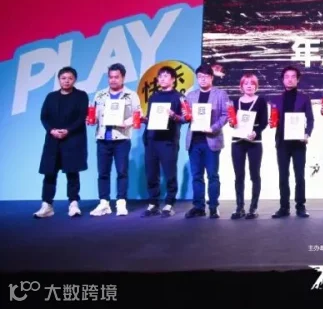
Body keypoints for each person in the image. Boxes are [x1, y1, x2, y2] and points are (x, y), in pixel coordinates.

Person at [34, 67, 89, 218]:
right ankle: (47, 205)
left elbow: (81, 117)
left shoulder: (81, 96)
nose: (66, 81)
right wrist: (51, 130)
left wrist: (68, 130)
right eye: (63, 78)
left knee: (72, 173)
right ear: (59, 79)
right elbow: (44, 117)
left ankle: (73, 204)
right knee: (49, 173)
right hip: (53, 140)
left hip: (72, 140)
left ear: (75, 80)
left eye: (70, 78)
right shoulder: (51, 97)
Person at [88, 63, 139, 217]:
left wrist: (126, 123)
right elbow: (94, 114)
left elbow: (138, 114)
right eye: (110, 77)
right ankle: (104, 203)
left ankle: (121, 202)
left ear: (123, 77)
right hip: (103, 138)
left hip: (121, 138)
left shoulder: (131, 95)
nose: (113, 80)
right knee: (103, 172)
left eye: (116, 77)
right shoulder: (100, 95)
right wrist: (91, 119)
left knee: (122, 172)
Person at [184, 65, 230, 219]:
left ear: (212, 77)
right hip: (194, 141)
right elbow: (186, 117)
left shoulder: (220, 94)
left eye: (205, 76)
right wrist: (179, 115)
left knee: (212, 175)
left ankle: (213, 206)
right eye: (199, 77)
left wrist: (213, 128)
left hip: (212, 140)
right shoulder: (191, 96)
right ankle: (198, 207)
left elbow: (225, 115)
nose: (202, 79)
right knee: (196, 176)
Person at [140, 66, 187, 217]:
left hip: (168, 140)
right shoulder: (154, 96)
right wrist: (144, 120)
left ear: (173, 79)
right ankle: (153, 203)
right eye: (160, 76)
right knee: (151, 173)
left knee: (169, 173)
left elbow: (185, 118)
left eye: (166, 76)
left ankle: (169, 203)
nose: (162, 79)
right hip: (152, 139)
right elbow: (151, 118)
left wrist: (174, 116)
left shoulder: (179, 97)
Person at [272, 66, 315, 219]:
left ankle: (300, 206)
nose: (290, 79)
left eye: (293, 76)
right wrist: (272, 122)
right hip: (282, 142)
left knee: (299, 175)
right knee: (283, 176)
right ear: (282, 80)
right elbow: (274, 119)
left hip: (298, 142)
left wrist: (307, 133)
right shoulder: (276, 99)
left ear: (298, 79)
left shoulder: (304, 98)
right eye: (287, 77)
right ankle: (284, 207)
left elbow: (310, 119)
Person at [230, 73, 268, 219]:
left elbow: (264, 122)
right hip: (237, 142)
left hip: (254, 142)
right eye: (246, 83)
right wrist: (231, 123)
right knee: (239, 175)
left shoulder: (261, 101)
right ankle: (239, 207)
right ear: (241, 86)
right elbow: (232, 121)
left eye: (252, 83)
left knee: (254, 174)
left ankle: (253, 208)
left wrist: (256, 132)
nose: (249, 86)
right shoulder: (235, 102)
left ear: (256, 86)